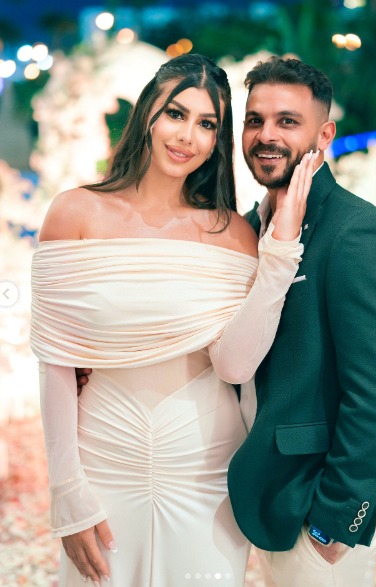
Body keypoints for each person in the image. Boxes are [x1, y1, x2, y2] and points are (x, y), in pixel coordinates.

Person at [31, 53, 318, 587]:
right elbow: (56, 361)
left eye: (207, 124)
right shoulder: (74, 213)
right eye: (176, 114)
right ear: (148, 114)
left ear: (217, 140)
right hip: (103, 456)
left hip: (206, 467)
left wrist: (279, 253)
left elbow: (235, 365)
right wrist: (66, 488)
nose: (187, 135)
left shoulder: (233, 233)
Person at [225, 57, 376, 586]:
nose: (266, 135)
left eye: (287, 121)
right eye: (255, 120)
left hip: (318, 501)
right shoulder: (245, 230)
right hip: (267, 488)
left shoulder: (356, 231)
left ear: (324, 135)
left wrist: (336, 519)